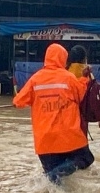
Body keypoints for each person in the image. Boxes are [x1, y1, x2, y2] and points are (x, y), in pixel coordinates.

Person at [13, 42, 94, 183]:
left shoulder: (35, 79)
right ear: (63, 58)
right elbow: (82, 95)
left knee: (55, 186)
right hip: (67, 138)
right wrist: (85, 78)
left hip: (44, 141)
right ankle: (54, 176)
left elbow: (18, 102)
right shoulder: (68, 78)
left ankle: (51, 182)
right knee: (86, 158)